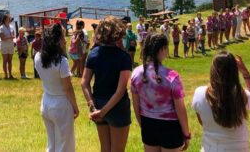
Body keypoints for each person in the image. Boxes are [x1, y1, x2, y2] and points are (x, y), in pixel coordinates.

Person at [131, 34, 191, 152]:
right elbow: (180, 109)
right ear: (162, 49)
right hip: (170, 127)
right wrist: (186, 134)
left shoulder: (135, 74)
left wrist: (143, 126)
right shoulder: (172, 76)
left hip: (148, 124)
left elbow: (136, 107)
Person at [192, 52, 250, 151]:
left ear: (213, 70)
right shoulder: (240, 95)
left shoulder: (200, 93)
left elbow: (202, 122)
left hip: (211, 148)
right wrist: (245, 72)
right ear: (234, 71)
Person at [81, 16, 131, 152]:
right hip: (117, 108)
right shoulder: (123, 57)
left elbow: (84, 82)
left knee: (105, 148)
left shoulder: (93, 54)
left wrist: (93, 107)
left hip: (98, 104)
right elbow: (120, 91)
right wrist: (103, 112)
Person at [35, 23, 79, 152]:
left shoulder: (38, 57)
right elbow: (68, 88)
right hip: (61, 105)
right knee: (65, 145)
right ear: (57, 40)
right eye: (63, 38)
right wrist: (75, 107)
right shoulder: (61, 61)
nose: (65, 40)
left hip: (46, 102)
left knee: (52, 144)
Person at [0, 14, 15, 79]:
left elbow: (13, 35)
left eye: (10, 18)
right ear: (5, 19)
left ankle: (10, 74)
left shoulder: (11, 26)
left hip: (10, 45)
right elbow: (2, 38)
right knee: (5, 60)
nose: (10, 19)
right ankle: (6, 75)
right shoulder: (1, 27)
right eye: (8, 18)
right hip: (4, 45)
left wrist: (9, 37)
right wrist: (10, 37)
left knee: (10, 61)